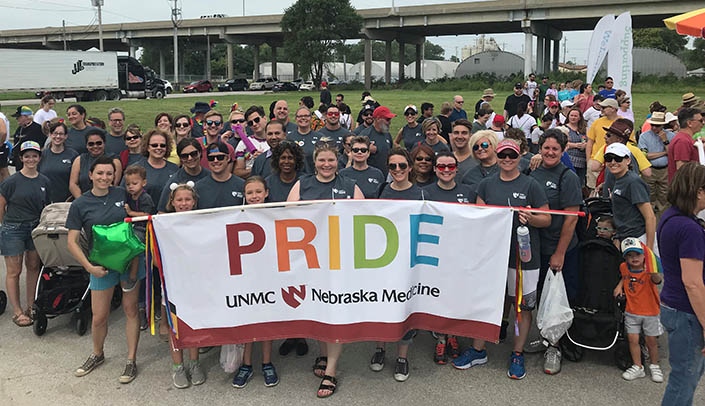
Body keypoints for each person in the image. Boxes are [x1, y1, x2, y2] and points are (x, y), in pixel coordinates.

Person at [454, 139, 550, 380]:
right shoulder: (486, 185)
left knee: (522, 306)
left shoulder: (531, 184)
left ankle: (517, 352)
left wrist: (531, 218)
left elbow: (546, 219)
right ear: (497, 156)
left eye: (512, 155)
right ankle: (478, 350)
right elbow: (479, 218)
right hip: (493, 255)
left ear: (519, 157)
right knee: (487, 302)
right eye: (503, 155)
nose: (507, 159)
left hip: (524, 256)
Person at [287, 141, 363, 398]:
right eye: (322, 160)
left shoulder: (349, 185)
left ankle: (331, 370)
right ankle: (323, 354)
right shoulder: (302, 184)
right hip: (311, 261)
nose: (327, 165)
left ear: (338, 162)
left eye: (331, 160)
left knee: (335, 312)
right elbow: (287, 219)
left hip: (340, 261)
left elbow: (363, 219)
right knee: (319, 308)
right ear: (315, 161)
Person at [66, 156, 143, 384]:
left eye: (109, 174)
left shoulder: (122, 194)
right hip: (100, 266)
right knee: (99, 316)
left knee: (131, 310)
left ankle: (131, 359)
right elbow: (71, 241)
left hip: (128, 263)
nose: (104, 178)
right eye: (99, 173)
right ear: (90, 175)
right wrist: (89, 266)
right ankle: (97, 353)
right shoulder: (80, 204)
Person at [530, 129, 583, 375]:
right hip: (536, 248)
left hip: (561, 249)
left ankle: (555, 346)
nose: (550, 153)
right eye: (546, 148)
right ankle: (544, 338)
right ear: (539, 148)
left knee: (559, 299)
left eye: (555, 149)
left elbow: (571, 219)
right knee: (542, 295)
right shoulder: (534, 171)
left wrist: (560, 253)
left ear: (563, 152)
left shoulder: (568, 177)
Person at [370, 147, 424, 383]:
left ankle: (402, 356)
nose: (398, 170)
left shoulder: (421, 194)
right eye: (393, 166)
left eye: (402, 165)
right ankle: (380, 348)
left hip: (409, 260)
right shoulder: (383, 190)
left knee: (405, 306)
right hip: (383, 259)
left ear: (410, 168)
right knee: (382, 303)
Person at [657, 162, 705, 405]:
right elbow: (693, 283)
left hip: (674, 306)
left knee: (686, 376)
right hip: (687, 312)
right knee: (684, 380)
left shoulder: (671, 216)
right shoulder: (689, 229)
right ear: (698, 191)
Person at [423, 150, 472, 364]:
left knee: (456, 295)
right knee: (437, 297)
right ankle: (440, 336)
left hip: (460, 253)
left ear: (456, 169)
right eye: (441, 167)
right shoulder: (424, 193)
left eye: (450, 167)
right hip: (435, 254)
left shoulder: (469, 192)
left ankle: (453, 334)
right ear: (435, 169)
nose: (445, 170)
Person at [231, 176, 281, 389]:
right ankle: (246, 364)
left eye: (258, 192)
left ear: (266, 193)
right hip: (245, 276)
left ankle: (267, 362)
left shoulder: (275, 214)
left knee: (266, 321)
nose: (254, 196)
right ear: (245, 195)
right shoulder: (235, 216)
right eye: (250, 193)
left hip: (268, 275)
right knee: (248, 320)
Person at [0, 141, 50, 327]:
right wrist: (5, 225)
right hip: (13, 227)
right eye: (27, 156)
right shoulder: (11, 182)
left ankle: (31, 305)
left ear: (39, 157)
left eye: (34, 155)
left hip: (35, 228)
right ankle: (17, 311)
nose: (31, 159)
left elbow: (46, 206)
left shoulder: (44, 181)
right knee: (14, 270)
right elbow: (1, 205)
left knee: (33, 266)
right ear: (21, 158)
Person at [163, 182, 206, 389]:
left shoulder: (202, 223)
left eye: (187, 199)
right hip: (173, 280)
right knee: (175, 325)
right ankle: (177, 366)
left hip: (195, 279)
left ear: (194, 201)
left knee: (194, 321)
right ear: (172, 202)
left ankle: (194, 363)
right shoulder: (163, 223)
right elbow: (156, 255)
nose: (183, 203)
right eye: (179, 200)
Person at [612, 237, 664, 383]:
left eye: (637, 254)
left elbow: (657, 280)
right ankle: (638, 366)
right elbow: (625, 276)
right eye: (629, 255)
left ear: (644, 256)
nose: (634, 258)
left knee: (651, 341)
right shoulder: (624, 267)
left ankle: (654, 365)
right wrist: (619, 285)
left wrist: (653, 271)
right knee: (632, 339)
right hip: (632, 311)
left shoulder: (649, 270)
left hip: (650, 312)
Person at [604, 143, 656, 249]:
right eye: (609, 158)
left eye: (618, 159)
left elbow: (650, 217)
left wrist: (649, 248)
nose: (613, 162)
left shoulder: (633, 182)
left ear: (628, 160)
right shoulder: (619, 179)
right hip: (626, 238)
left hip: (638, 238)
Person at [121, 165, 154, 293]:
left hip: (143, 229)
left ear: (144, 182)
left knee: (134, 246)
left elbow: (147, 215)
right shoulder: (129, 196)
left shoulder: (145, 198)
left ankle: (133, 276)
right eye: (128, 184)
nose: (131, 187)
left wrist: (130, 212)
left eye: (135, 183)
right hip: (131, 227)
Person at [638, 111, 674, 221]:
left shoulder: (671, 136)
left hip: (665, 170)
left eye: (657, 126)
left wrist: (665, 141)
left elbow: (672, 154)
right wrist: (663, 153)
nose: (654, 128)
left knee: (665, 198)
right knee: (649, 197)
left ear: (662, 125)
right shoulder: (644, 136)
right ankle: (650, 220)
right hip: (650, 170)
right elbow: (645, 155)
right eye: (652, 125)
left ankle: (662, 221)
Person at [156, 138, 210, 213]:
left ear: (200, 153)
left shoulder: (211, 177)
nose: (190, 158)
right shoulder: (174, 181)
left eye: (193, 154)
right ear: (180, 158)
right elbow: (162, 213)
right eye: (185, 156)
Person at [69, 128, 123, 198]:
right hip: (84, 199)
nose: (95, 146)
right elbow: (73, 184)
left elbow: (115, 185)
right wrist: (81, 201)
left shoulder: (114, 161)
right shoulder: (79, 160)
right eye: (91, 144)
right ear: (86, 145)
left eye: (98, 143)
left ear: (104, 143)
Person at [194, 142, 245, 209]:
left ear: (228, 158)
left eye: (220, 157)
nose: (215, 161)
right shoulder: (198, 188)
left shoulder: (242, 185)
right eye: (211, 158)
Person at [39, 119, 79, 203]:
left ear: (66, 136)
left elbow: (77, 180)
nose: (58, 137)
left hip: (66, 201)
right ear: (50, 135)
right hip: (45, 201)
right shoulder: (42, 155)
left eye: (61, 134)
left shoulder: (73, 155)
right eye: (55, 133)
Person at [461, 130, 499, 199]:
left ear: (494, 145)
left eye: (484, 145)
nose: (480, 149)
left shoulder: (507, 169)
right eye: (476, 147)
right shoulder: (469, 176)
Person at [668, 107, 703, 182]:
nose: (703, 123)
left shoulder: (686, 139)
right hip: (685, 190)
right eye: (700, 120)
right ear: (689, 123)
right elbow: (682, 169)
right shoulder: (682, 141)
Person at [359, 106, 395, 177]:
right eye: (387, 119)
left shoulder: (387, 134)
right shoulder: (366, 135)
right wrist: (366, 150)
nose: (389, 122)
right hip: (370, 177)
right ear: (378, 119)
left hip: (386, 176)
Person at [288, 106, 322, 174]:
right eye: (300, 116)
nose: (303, 118)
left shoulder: (320, 137)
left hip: (315, 177)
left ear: (311, 118)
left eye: (306, 116)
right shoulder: (289, 138)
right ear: (296, 118)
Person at [10, 106, 46, 171]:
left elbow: (43, 146)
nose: (17, 119)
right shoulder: (20, 129)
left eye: (19, 117)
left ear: (26, 117)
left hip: (32, 164)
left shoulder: (38, 129)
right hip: (20, 163)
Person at [564, 108, 588, 184]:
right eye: (571, 115)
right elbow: (561, 143)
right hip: (570, 159)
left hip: (582, 161)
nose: (573, 117)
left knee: (580, 183)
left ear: (580, 118)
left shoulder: (585, 130)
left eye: (575, 116)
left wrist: (585, 145)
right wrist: (575, 145)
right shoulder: (564, 128)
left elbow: (590, 141)